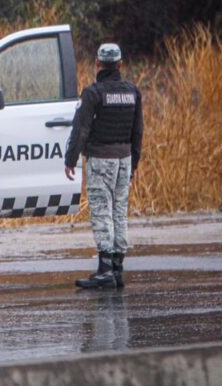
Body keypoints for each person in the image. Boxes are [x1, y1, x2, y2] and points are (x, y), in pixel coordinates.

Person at [64, 43, 143, 289]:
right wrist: (134, 163)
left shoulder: (93, 93)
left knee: (101, 210)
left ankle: (105, 269)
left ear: (97, 63)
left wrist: (71, 159)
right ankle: (118, 268)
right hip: (124, 160)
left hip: (100, 159)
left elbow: (81, 128)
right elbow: (138, 130)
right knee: (119, 211)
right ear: (120, 65)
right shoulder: (133, 92)